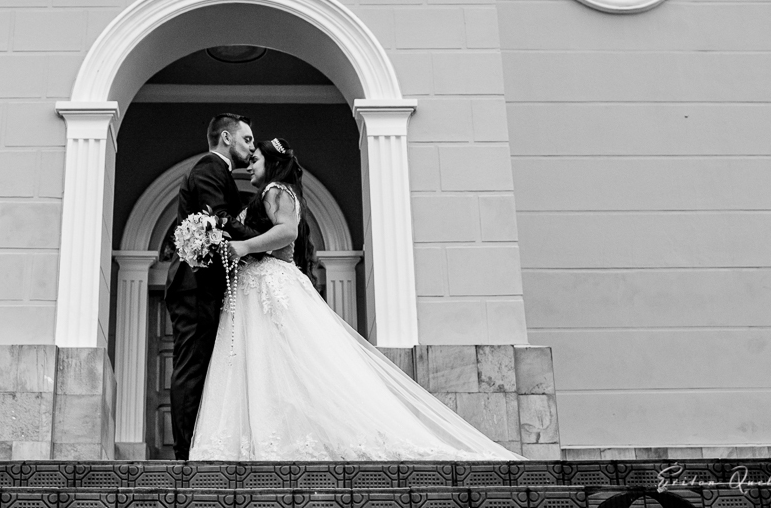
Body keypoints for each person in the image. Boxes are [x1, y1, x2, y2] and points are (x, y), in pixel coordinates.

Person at [189, 137, 523, 461]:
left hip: (270, 287)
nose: (250, 165)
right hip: (253, 289)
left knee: (287, 359)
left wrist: (245, 246)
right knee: (263, 362)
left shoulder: (277, 191)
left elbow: (287, 231)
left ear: (272, 162)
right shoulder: (265, 194)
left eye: (256, 160)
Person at [165, 113, 259, 460]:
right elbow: (220, 221)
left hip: (205, 285)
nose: (251, 147)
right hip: (195, 284)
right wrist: (264, 242)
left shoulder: (219, 173)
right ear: (225, 137)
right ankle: (184, 455)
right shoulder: (209, 168)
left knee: (201, 366)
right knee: (191, 367)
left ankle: (195, 448)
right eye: (247, 139)